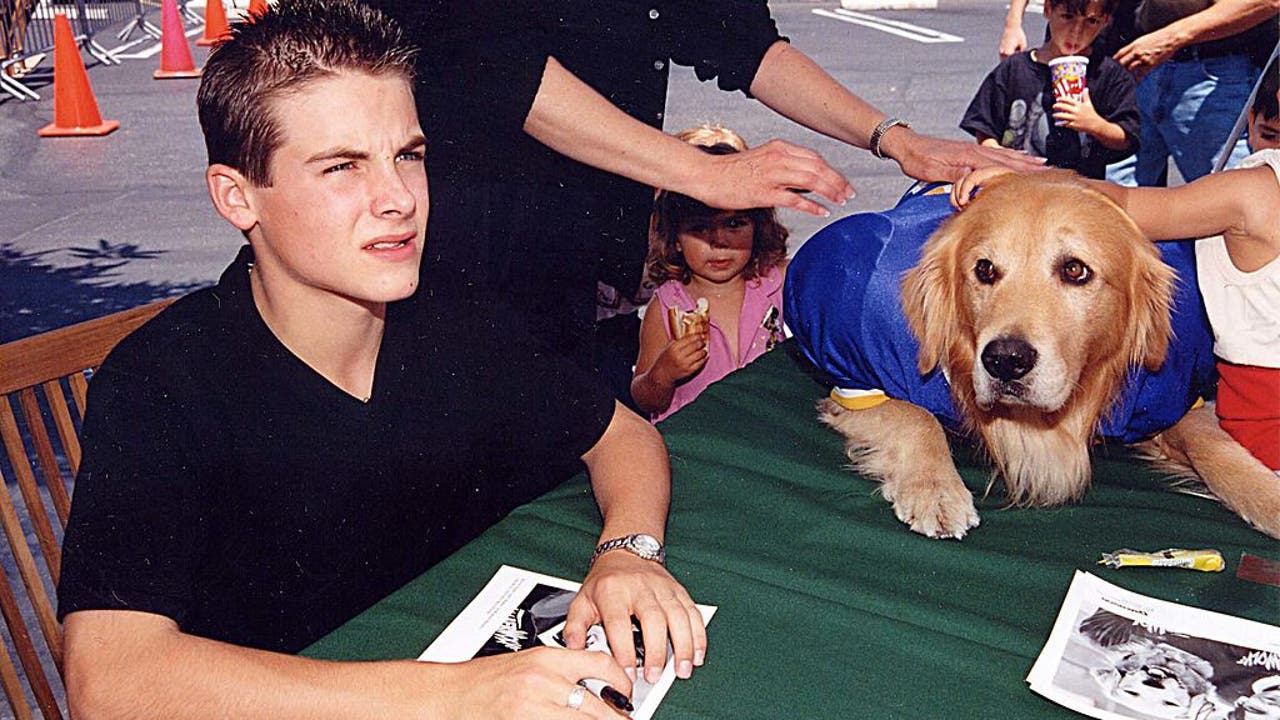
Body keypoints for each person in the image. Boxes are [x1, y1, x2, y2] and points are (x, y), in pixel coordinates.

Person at [56, 2, 708, 716]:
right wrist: (457, 695)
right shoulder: (161, 382)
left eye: (409, 156)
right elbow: (107, 679)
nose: (399, 199)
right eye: (342, 166)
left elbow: (620, 433)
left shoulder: (451, 318)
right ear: (237, 197)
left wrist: (629, 552)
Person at [363, 1, 1048, 408]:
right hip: (465, 245)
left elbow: (746, 43)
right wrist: (702, 172)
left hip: (583, 261)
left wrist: (894, 139)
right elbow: (492, 63)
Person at [953, 146, 1280, 473]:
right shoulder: (1253, 193)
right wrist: (1030, 183)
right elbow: (1129, 203)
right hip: (1266, 431)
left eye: (1073, 272)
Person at [631, 126, 789, 423]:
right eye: (699, 228)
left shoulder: (775, 281)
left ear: (758, 227)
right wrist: (664, 373)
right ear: (675, 239)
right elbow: (644, 395)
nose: (718, 241)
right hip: (697, 437)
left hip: (767, 430)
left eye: (734, 224)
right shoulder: (667, 305)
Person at [961, 0, 1140, 179]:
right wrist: (998, 155)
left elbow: (1127, 136)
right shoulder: (1014, 69)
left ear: (1105, 21)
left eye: (1092, 21)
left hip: (1079, 189)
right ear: (1047, 9)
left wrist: (1095, 124)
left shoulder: (1109, 75)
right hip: (1017, 186)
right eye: (1067, 17)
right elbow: (985, 127)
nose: (1077, 31)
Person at [1111, 0, 1277, 185]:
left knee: (1231, 191)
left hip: (1215, 73)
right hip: (1136, 65)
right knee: (1112, 194)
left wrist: (1170, 39)